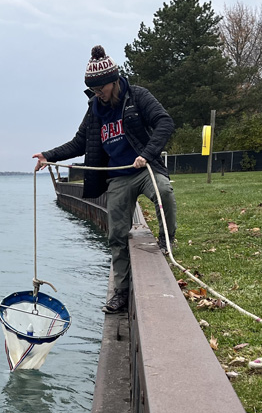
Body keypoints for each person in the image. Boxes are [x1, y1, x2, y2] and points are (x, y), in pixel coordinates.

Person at [33, 45, 177, 314]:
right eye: (94, 90)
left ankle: (168, 239)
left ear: (113, 81)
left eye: (101, 89)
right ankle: (120, 293)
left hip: (144, 168)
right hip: (118, 177)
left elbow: (164, 123)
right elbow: (80, 143)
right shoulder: (95, 110)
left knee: (165, 192)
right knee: (116, 235)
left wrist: (147, 154)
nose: (97, 94)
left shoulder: (138, 96)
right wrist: (48, 155)